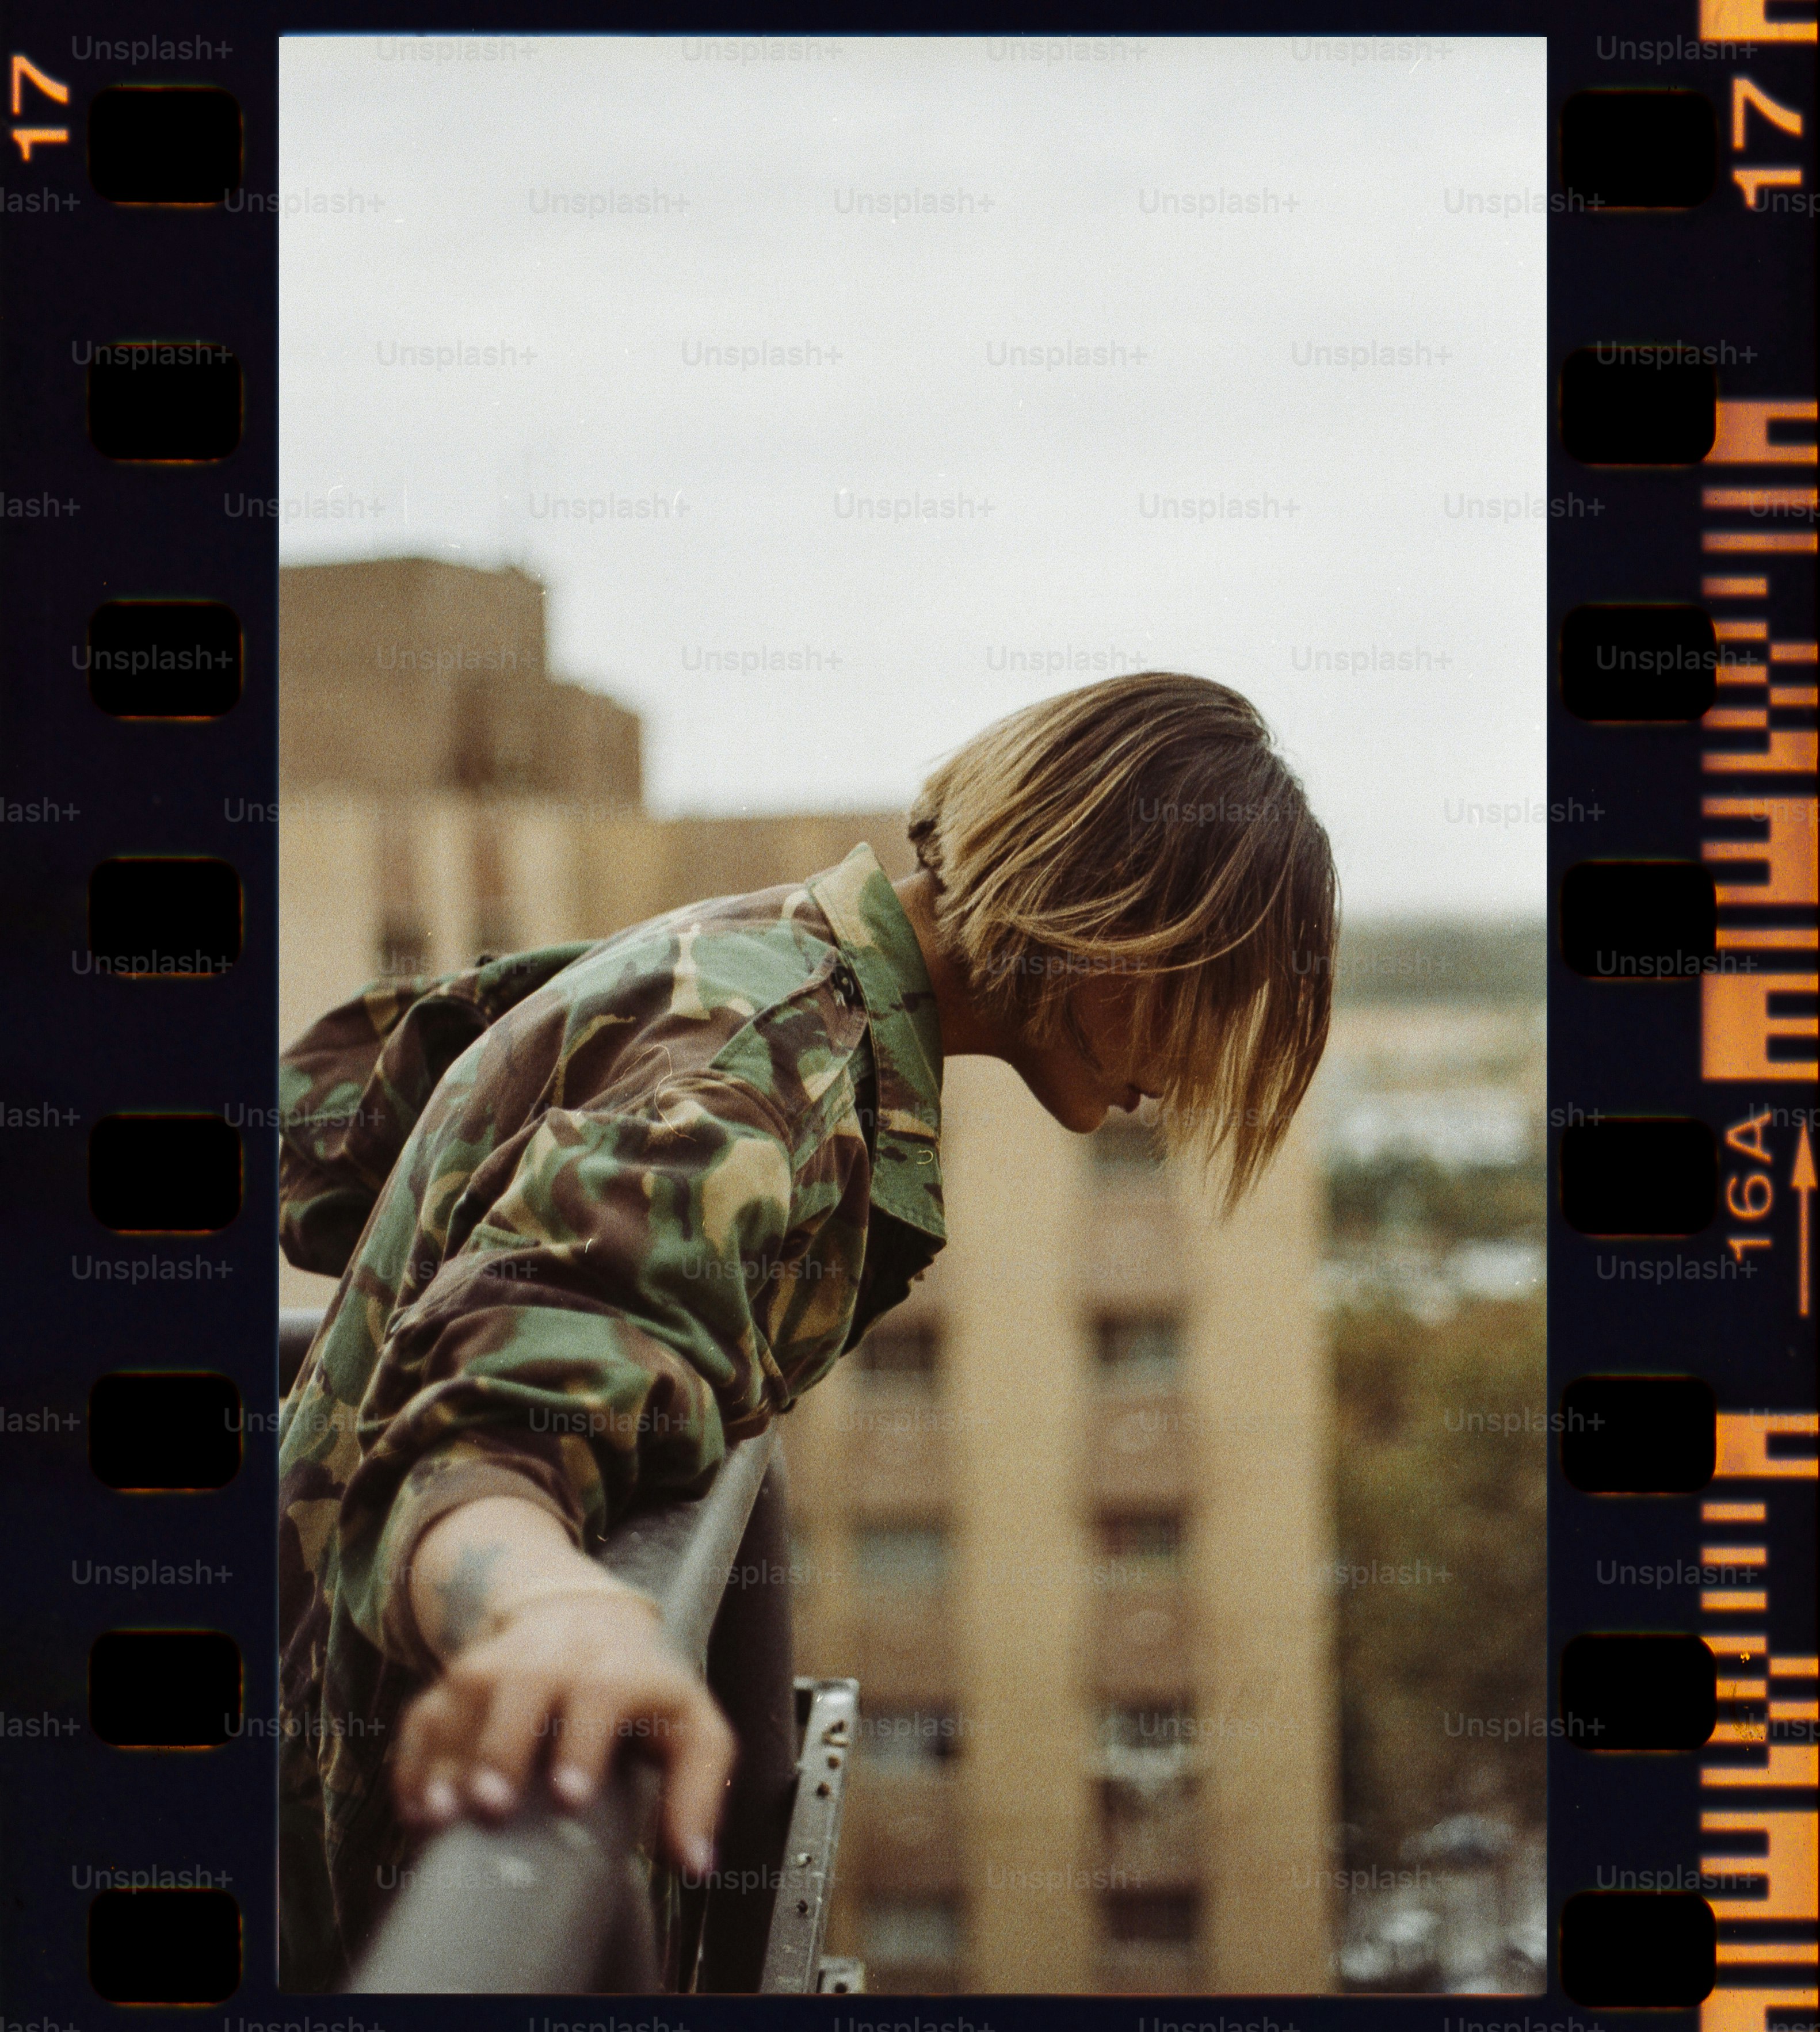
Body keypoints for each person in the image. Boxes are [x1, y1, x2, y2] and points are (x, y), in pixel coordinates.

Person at [274, 670, 1338, 1987]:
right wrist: (552, 1606)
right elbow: (499, 1407)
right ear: (1103, 912)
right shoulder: (769, 1060)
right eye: (1208, 987)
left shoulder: (751, 953)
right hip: (399, 1859)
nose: (1195, 1062)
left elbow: (332, 1123)